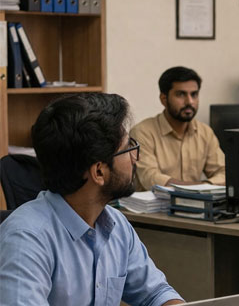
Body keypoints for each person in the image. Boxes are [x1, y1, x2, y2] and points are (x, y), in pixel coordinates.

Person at [0, 93, 184, 305]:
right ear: (98, 172)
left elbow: (156, 293)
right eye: (128, 148)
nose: (136, 158)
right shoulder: (26, 240)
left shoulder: (116, 225)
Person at [131, 66, 225, 191]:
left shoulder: (205, 132)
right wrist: (199, 188)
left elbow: (224, 173)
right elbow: (151, 179)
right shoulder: (142, 132)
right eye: (181, 94)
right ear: (163, 99)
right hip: (156, 203)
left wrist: (200, 188)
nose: (190, 101)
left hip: (196, 202)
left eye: (194, 94)